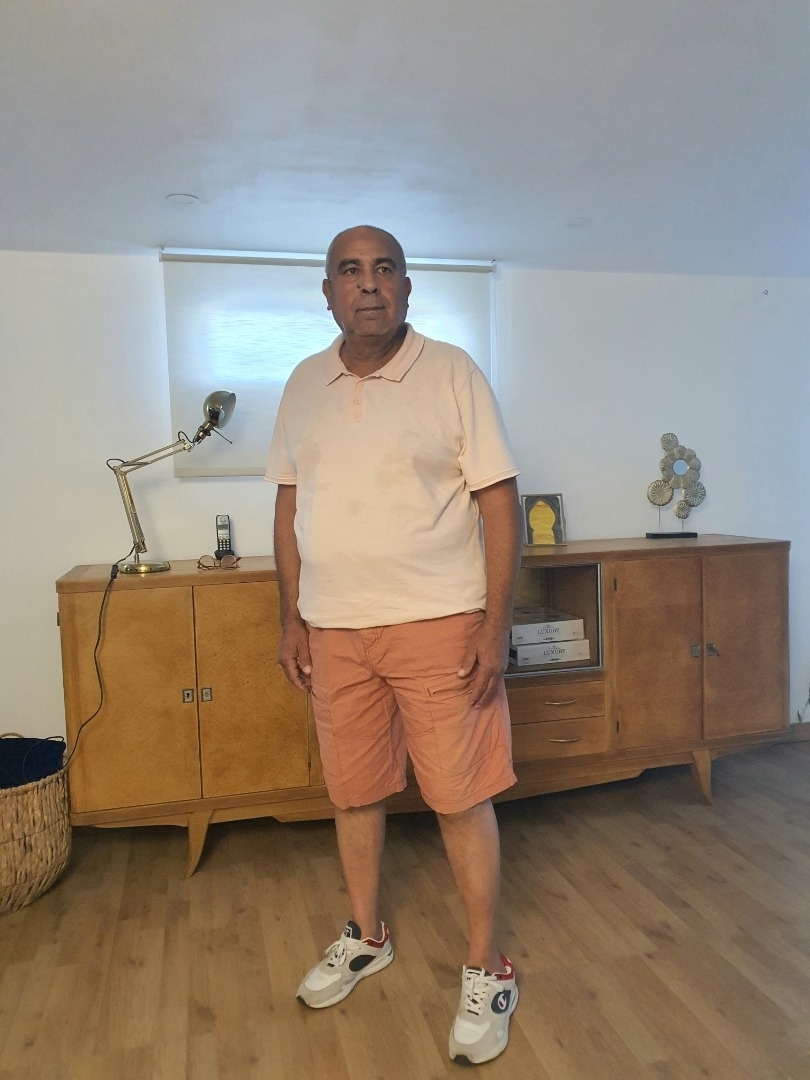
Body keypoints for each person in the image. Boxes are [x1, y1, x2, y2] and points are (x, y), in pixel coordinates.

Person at [265, 225, 523, 1066]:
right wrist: (291, 618)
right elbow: (288, 507)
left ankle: (487, 966)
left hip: (439, 624)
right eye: (350, 270)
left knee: (460, 796)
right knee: (353, 791)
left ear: (408, 287)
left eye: (385, 269)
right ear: (327, 291)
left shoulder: (452, 372)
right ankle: (367, 935)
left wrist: (493, 624)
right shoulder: (303, 384)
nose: (368, 283)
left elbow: (499, 503)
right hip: (334, 629)